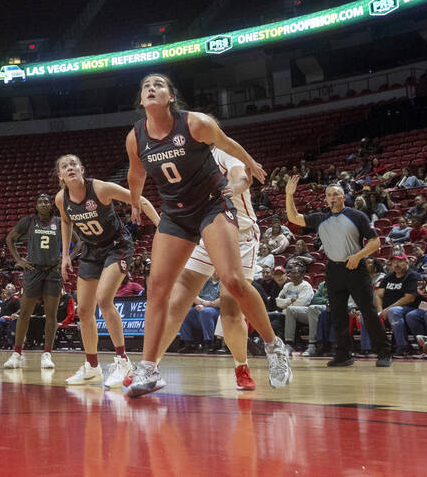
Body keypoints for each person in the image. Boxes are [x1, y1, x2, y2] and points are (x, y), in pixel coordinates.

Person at [124, 74, 291, 397]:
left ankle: (274, 348)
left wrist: (250, 163)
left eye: (158, 84)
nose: (151, 88)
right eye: (146, 86)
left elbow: (228, 145)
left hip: (213, 208)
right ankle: (148, 367)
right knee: (158, 288)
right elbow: (136, 172)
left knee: (232, 281)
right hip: (176, 214)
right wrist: (134, 200)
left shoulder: (196, 124)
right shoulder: (136, 137)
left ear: (171, 96)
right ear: (141, 100)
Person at [161, 147, 263, 390]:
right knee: (176, 302)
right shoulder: (186, 162)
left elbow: (240, 175)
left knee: (230, 306)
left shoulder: (225, 155)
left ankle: (241, 367)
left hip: (240, 235)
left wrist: (235, 187)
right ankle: (149, 367)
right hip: (206, 234)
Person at [56, 153, 159, 388]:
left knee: (103, 299)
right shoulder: (62, 199)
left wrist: (162, 227)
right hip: (92, 251)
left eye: (74, 164)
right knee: (83, 310)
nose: (70, 167)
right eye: (65, 166)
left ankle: (123, 361)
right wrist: (64, 255)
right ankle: (92, 367)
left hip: (117, 246)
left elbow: (139, 199)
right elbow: (65, 221)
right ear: (60, 175)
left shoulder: (100, 188)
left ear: (82, 169)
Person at [285, 175, 392, 368]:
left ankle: (384, 352)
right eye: (329, 195)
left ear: (343, 197)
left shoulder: (357, 216)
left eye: (336, 194)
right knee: (338, 314)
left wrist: (358, 256)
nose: (332, 197)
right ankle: (343, 355)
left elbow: (375, 241)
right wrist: (289, 195)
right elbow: (293, 218)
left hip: (355, 268)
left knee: (368, 311)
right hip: (333, 269)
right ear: (325, 198)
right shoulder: (320, 218)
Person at [3, 194, 65, 370]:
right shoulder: (29, 221)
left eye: (46, 201)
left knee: (51, 315)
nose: (43, 204)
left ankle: (47, 354)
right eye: (40, 201)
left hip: (53, 272)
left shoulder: (59, 221)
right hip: (33, 271)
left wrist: (67, 258)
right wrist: (19, 260)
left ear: (51, 205)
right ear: (36, 206)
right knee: (24, 313)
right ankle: (16, 353)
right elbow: (10, 239)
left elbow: (79, 242)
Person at [273, 264, 315, 347]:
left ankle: (291, 344)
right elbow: (278, 302)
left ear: (302, 274)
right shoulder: (287, 286)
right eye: (291, 273)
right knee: (271, 321)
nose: (291, 275)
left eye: (295, 273)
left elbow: (301, 304)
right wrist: (290, 300)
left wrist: (285, 303)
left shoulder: (306, 287)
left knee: (276, 325)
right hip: (284, 314)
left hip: (299, 315)